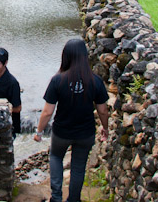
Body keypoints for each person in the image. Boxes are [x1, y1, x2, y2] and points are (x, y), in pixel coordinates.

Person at [33, 39, 109, 202]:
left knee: (55, 157)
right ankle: (74, 199)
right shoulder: (95, 81)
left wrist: (39, 131)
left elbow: (47, 112)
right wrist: (105, 128)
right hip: (85, 132)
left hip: (62, 132)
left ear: (65, 56)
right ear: (84, 57)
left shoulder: (57, 80)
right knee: (78, 166)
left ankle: (56, 197)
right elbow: (103, 110)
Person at [0, 47, 22, 136]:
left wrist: (4, 108)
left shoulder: (12, 83)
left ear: (5, 63)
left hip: (9, 126)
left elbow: (18, 108)